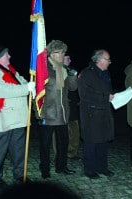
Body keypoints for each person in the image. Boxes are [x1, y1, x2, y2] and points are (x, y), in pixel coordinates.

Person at [0, 44, 35, 189]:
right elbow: (2, 89)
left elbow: (23, 82)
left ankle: (19, 174)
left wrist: (30, 86)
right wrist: (26, 88)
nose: (10, 56)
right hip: (3, 118)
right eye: (7, 54)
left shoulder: (12, 71)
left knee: (18, 149)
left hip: (18, 117)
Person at [36, 40, 78, 179]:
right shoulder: (44, 69)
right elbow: (37, 93)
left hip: (63, 113)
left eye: (63, 52)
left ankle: (61, 166)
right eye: (58, 52)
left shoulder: (64, 69)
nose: (61, 55)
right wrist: (38, 112)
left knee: (63, 142)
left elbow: (73, 88)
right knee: (45, 144)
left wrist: (72, 75)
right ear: (51, 54)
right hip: (48, 113)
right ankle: (45, 169)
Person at [78, 49, 115, 179]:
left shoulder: (106, 73)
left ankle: (102, 167)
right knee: (91, 143)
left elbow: (107, 91)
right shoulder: (87, 73)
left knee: (103, 142)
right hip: (91, 115)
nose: (110, 62)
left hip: (104, 113)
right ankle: (89, 170)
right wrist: (105, 97)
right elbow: (84, 95)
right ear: (99, 60)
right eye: (108, 59)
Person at [52, 55, 80, 160]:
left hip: (72, 105)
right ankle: (58, 154)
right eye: (68, 58)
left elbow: (74, 88)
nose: (70, 60)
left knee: (74, 131)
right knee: (59, 132)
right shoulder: (56, 70)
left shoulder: (71, 71)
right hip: (61, 106)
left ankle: (72, 152)